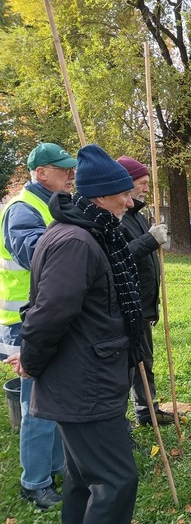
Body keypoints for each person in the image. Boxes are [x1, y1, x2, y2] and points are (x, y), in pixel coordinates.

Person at [17, 144, 141, 523]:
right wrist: (31, 361)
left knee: (82, 479)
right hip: (84, 383)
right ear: (102, 196)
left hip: (87, 375)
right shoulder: (76, 241)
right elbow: (49, 313)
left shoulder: (89, 232)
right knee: (116, 481)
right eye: (124, 193)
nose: (129, 202)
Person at [0, 143, 75, 510]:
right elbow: (36, 255)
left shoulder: (51, 204)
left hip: (44, 316)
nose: (71, 174)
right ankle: (34, 481)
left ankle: (56, 464)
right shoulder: (21, 210)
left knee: (53, 397)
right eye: (64, 169)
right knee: (37, 405)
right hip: (23, 323)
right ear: (41, 173)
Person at [117, 155, 175, 427]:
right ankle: (120, 422)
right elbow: (118, 258)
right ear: (126, 183)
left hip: (143, 304)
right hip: (126, 304)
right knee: (128, 366)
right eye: (142, 183)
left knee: (144, 361)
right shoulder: (115, 218)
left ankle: (147, 409)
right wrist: (149, 240)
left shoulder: (136, 215)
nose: (147, 189)